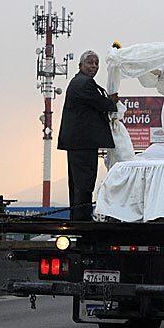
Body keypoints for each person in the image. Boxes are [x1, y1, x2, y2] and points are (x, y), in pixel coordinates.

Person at [58, 50, 119, 221]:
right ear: (81, 65)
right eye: (90, 63)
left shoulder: (80, 82)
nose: (94, 66)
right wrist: (112, 102)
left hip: (78, 143)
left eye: (96, 63)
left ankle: (78, 215)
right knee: (84, 182)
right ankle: (82, 217)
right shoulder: (84, 83)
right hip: (83, 142)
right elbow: (102, 104)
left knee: (77, 183)